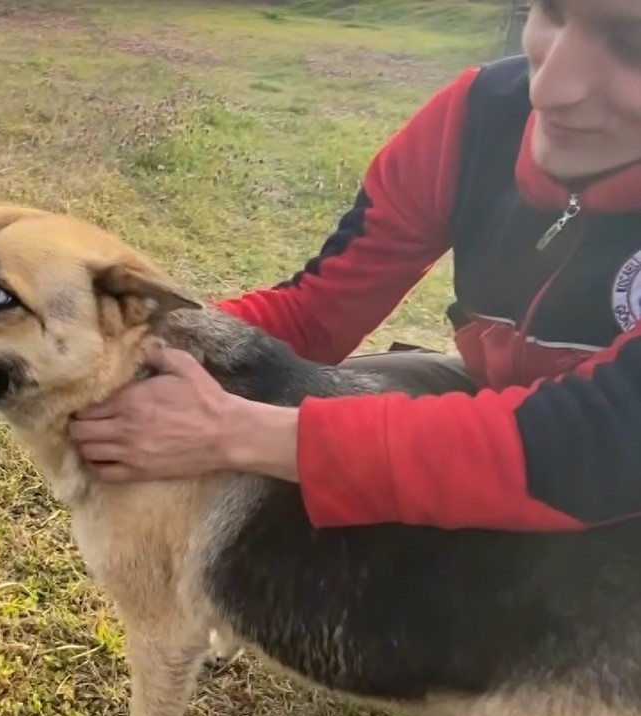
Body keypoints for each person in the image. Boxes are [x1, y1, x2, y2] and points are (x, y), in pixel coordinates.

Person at [68, 0, 641, 534]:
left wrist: (236, 433)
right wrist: (133, 346)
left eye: (632, 44)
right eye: (556, 10)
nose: (551, 87)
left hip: (611, 478)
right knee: (316, 403)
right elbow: (319, 305)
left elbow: (597, 445)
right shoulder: (478, 117)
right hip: (499, 400)